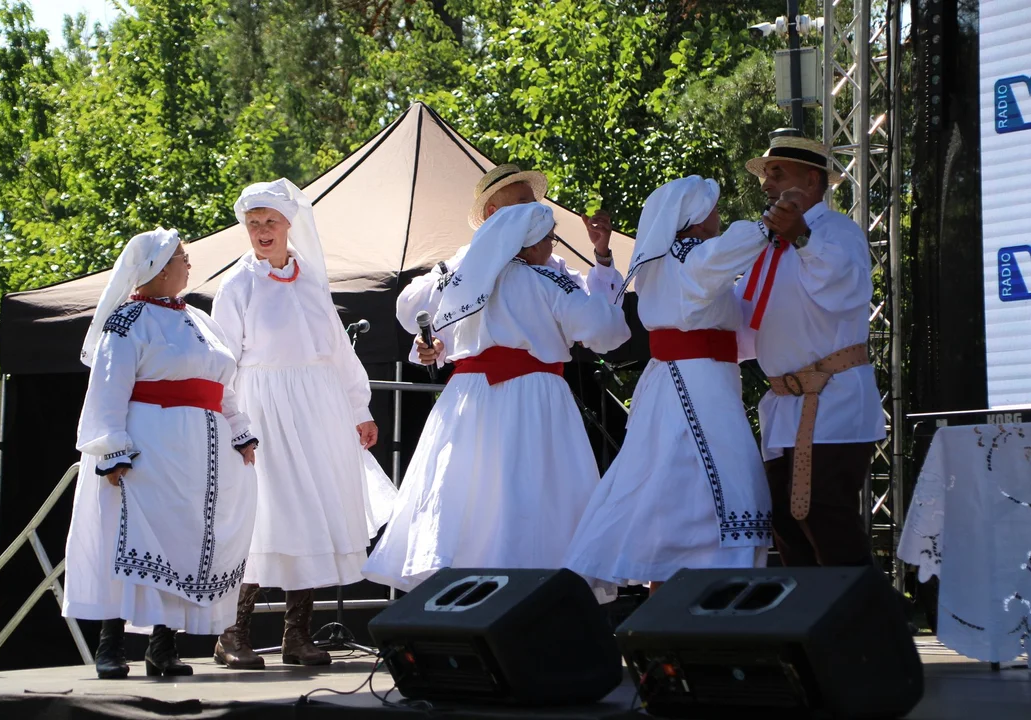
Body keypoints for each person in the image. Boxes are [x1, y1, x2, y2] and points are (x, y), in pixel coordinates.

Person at [362, 203, 630, 598]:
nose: (551, 247)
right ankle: (533, 608)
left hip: (469, 402)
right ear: (530, 243)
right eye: (549, 238)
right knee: (534, 494)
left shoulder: (467, 283)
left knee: (466, 498)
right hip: (534, 398)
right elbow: (608, 332)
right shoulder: (548, 282)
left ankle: (463, 604)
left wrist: (432, 340)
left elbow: (416, 314)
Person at [210, 178, 394, 669]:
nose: (262, 231)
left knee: (311, 512)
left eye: (270, 221)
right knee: (264, 517)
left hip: (319, 408)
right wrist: (235, 423)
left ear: (290, 224)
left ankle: (297, 634)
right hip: (263, 407)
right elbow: (221, 360)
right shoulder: (237, 284)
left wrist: (359, 408)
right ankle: (233, 632)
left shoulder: (311, 277)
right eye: (253, 224)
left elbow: (336, 348)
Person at [564, 176, 773, 597]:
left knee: (674, 489)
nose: (718, 216)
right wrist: (770, 223)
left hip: (694, 380)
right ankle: (680, 615)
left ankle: (676, 612)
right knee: (693, 486)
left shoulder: (668, 259)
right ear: (696, 219)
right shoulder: (689, 256)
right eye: (712, 209)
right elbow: (730, 251)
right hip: (692, 384)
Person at [63, 228, 258, 679]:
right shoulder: (127, 321)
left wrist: (240, 431)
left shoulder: (202, 321)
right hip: (149, 451)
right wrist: (113, 451)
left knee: (184, 544)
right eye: (182, 257)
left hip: (200, 457)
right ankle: (111, 646)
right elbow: (107, 390)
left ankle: (162, 647)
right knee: (130, 541)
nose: (189, 264)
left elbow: (219, 384)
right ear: (159, 267)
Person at [736, 129, 885, 568]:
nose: (766, 184)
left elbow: (846, 290)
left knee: (825, 518)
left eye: (777, 173)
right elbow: (744, 310)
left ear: (813, 181)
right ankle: (813, 630)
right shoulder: (767, 247)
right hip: (786, 406)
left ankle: (870, 630)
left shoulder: (838, 232)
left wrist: (802, 237)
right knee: (785, 521)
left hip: (832, 402)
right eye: (766, 175)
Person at [397, 163, 624, 367]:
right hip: (473, 395)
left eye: (535, 204)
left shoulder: (551, 265)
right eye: (523, 203)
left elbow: (601, 312)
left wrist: (602, 254)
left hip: (537, 388)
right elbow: (410, 309)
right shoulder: (462, 263)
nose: (533, 211)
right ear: (493, 213)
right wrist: (434, 340)